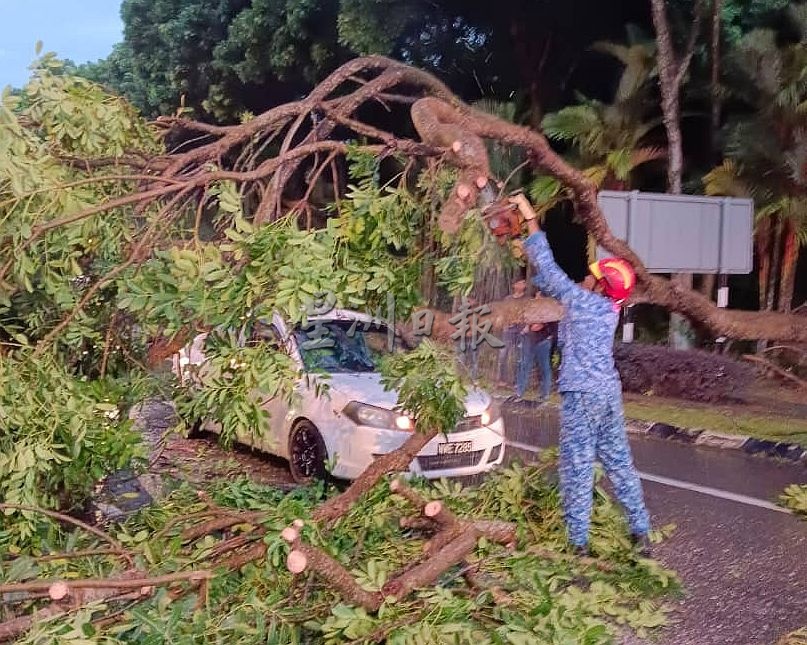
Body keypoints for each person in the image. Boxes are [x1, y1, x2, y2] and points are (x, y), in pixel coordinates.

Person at [494, 193, 651, 557]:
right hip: (607, 394)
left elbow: (549, 273)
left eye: (592, 277)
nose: (585, 277)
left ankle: (578, 544)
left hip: (582, 395)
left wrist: (531, 219)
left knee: (577, 466)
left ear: (601, 286)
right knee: (619, 462)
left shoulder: (584, 304)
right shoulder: (607, 309)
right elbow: (552, 281)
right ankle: (641, 531)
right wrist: (524, 238)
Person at [514, 318, 556, 403]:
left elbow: (539, 327)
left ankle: (545, 394)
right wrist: (524, 328)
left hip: (543, 341)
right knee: (524, 366)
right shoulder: (530, 309)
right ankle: (519, 393)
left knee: (544, 368)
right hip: (528, 341)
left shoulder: (548, 312)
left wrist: (549, 336)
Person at [496, 279, 527, 387]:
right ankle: (501, 380)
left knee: (518, 356)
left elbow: (528, 314)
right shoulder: (508, 299)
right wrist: (503, 323)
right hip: (508, 330)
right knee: (503, 354)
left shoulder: (527, 299)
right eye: (519, 283)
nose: (521, 285)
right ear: (514, 285)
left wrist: (525, 326)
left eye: (523, 283)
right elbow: (503, 313)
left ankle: (517, 381)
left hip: (521, 331)